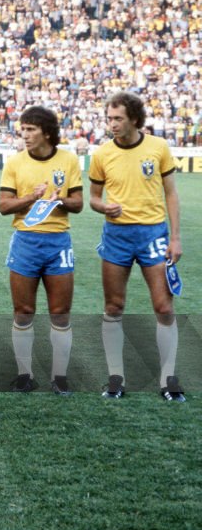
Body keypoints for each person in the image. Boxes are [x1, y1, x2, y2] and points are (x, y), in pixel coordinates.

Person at [89, 92, 183, 401]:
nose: (112, 124)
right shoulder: (102, 154)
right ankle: (116, 377)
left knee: (164, 307)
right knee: (114, 307)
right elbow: (94, 197)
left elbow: (170, 193)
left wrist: (175, 237)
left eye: (118, 118)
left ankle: (168, 378)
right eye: (109, 118)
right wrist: (103, 208)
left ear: (134, 119)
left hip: (153, 235)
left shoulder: (158, 147)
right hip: (116, 236)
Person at [0, 106, 82, 394]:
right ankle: (24, 375)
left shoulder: (69, 160)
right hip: (25, 241)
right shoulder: (15, 163)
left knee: (60, 313)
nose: (25, 135)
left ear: (47, 131)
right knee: (23, 311)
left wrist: (60, 201)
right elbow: (3, 206)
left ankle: (59, 377)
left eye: (31, 129)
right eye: (23, 129)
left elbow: (79, 204)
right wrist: (29, 198)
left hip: (58, 241)